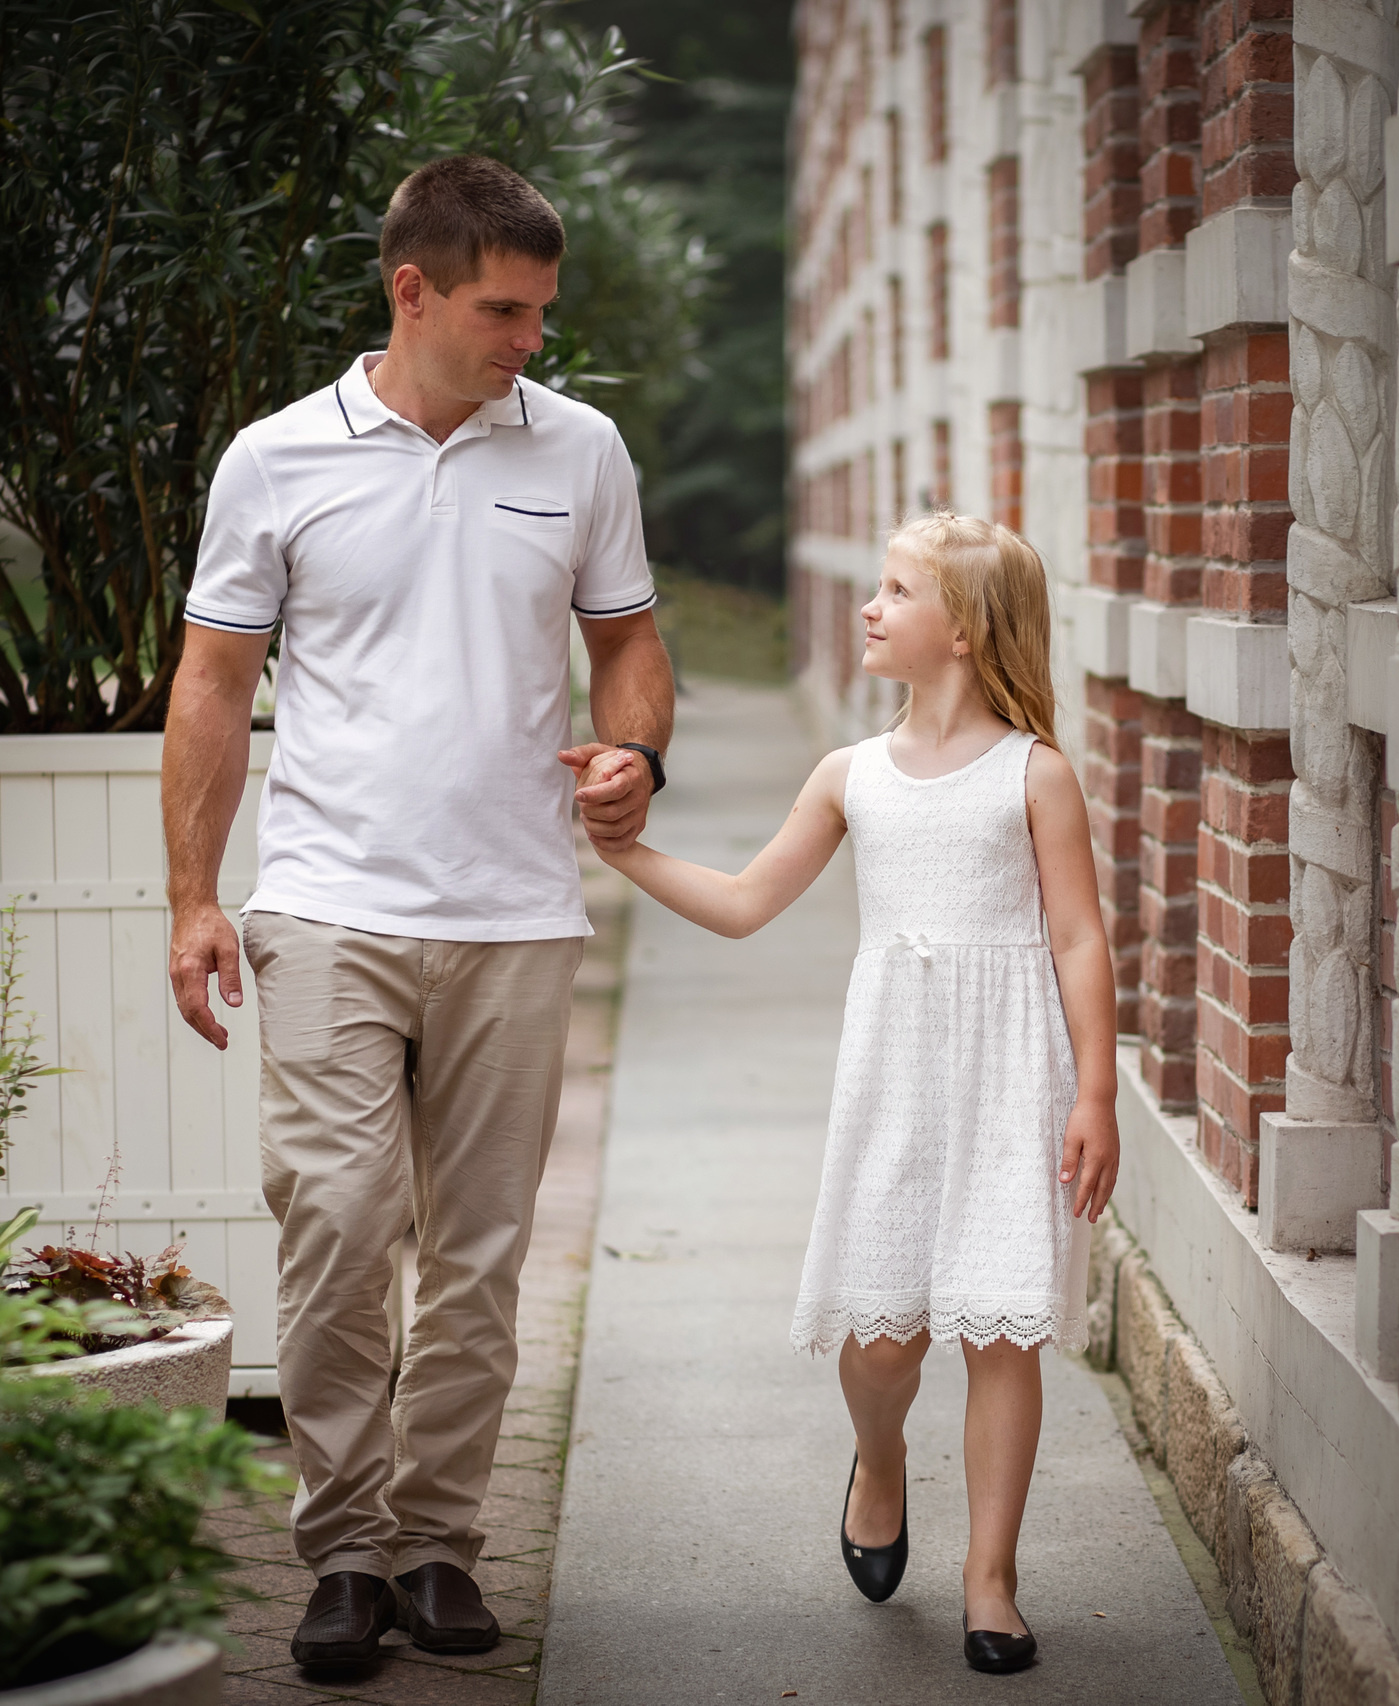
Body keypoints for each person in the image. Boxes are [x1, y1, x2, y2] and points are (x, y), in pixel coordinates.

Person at [159, 154, 674, 1671]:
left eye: (540, 311)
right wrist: (195, 895)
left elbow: (632, 644)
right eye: (504, 309)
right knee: (334, 1220)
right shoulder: (276, 459)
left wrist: (636, 751)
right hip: (326, 903)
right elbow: (212, 683)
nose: (532, 338)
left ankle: (441, 1542)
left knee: (480, 1250)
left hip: (518, 910)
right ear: (413, 289)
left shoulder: (581, 450)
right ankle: (342, 1549)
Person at [587, 511, 1120, 1676]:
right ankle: (878, 1460)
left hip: (1008, 1074)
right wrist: (626, 852)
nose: (868, 608)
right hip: (895, 1071)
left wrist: (1095, 1093)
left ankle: (992, 1579)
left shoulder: (1035, 775)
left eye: (893, 590)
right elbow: (740, 901)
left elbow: (1077, 937)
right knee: (883, 1342)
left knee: (998, 1331)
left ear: (966, 631)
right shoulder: (852, 775)